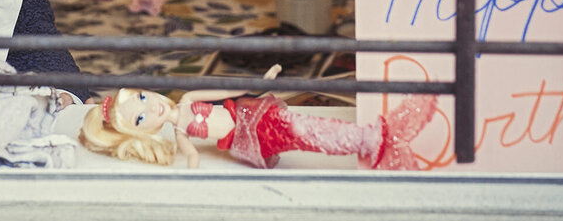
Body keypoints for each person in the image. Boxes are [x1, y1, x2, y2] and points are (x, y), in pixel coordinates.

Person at [79, 64, 436, 170]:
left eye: (141, 97)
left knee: (303, 126)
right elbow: (191, 158)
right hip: (247, 142)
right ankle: (366, 142)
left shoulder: (188, 97)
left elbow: (225, 92)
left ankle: (366, 137)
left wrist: (258, 82)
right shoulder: (181, 136)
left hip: (252, 115)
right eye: (140, 119)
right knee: (301, 138)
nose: (150, 106)